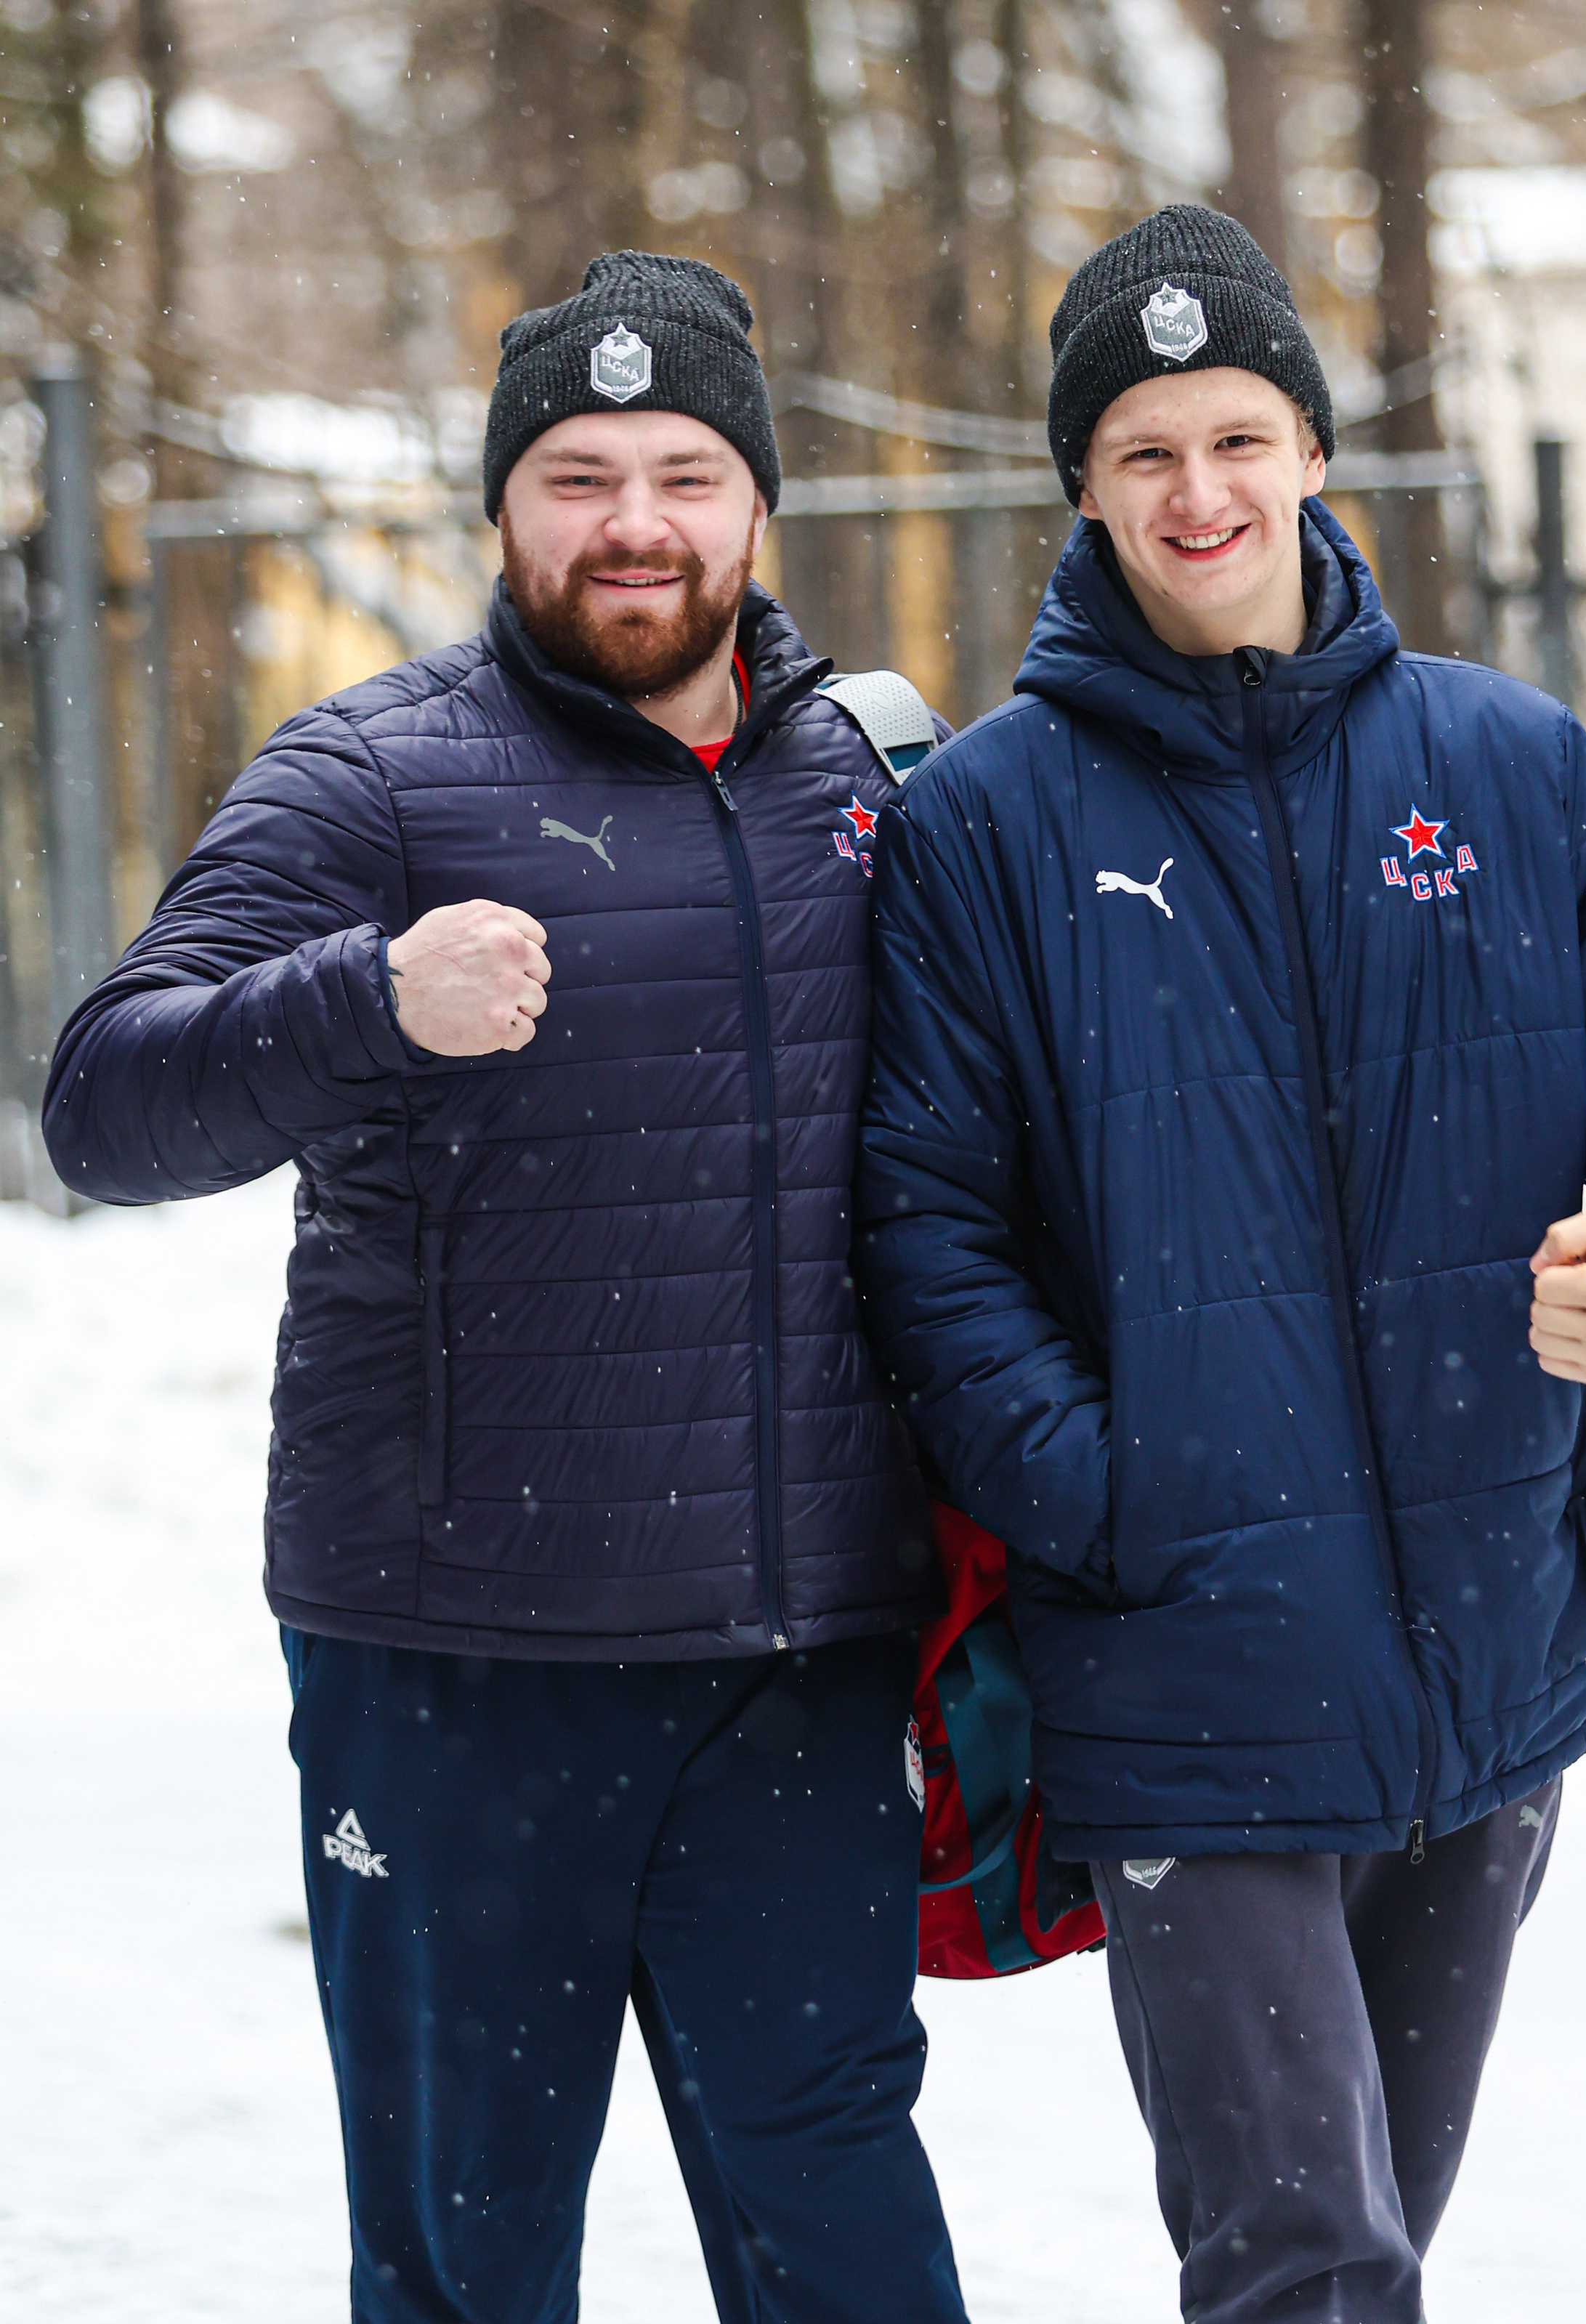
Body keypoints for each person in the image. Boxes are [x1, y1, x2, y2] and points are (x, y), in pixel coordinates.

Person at [853, 206, 1586, 2324]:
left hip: (1500, 1626)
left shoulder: (1510, 764)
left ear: (1313, 451)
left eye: (1238, 436)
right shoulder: (985, 827)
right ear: (1083, 487)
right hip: (1184, 1660)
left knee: (1376, 2246)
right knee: (1302, 2257)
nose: (1201, 491)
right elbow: (929, 1237)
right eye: (1146, 451)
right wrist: (1125, 1493)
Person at [44, 252, 968, 2324]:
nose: (634, 523)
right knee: (464, 2252)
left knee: (840, 2235)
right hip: (455, 1667)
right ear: (500, 509)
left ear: (759, 506)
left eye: (684, 473)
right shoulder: (370, 779)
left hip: (797, 1659)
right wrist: (364, 1000)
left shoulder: (875, 783)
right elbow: (106, 1105)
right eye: (577, 476)